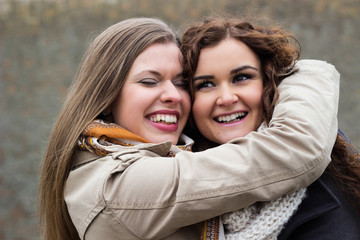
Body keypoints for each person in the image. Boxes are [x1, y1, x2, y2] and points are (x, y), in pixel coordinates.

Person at [38, 17, 340, 240]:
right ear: (106, 98)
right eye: (149, 81)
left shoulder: (179, 152)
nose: (173, 94)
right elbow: (298, 149)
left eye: (181, 82)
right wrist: (305, 71)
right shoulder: (119, 186)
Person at [181, 17, 360, 239]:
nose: (226, 98)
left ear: (269, 83)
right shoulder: (174, 180)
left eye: (242, 77)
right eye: (206, 85)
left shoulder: (326, 162)